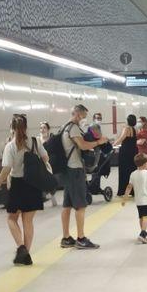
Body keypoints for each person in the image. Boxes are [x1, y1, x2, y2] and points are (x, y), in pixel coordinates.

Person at [0, 114, 47, 266]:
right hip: (33, 185)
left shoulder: (10, 146)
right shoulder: (35, 141)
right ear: (26, 127)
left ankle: (21, 247)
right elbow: (45, 158)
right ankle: (26, 254)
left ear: (11, 128)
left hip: (18, 184)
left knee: (12, 218)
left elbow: (6, 168)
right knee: (28, 221)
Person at [60, 104, 109, 249]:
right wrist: (99, 142)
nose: (84, 119)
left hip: (67, 170)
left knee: (67, 205)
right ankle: (81, 238)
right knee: (80, 205)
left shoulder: (64, 127)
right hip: (75, 170)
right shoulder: (73, 128)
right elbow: (82, 146)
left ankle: (66, 237)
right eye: (83, 116)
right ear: (78, 114)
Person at [121, 153, 147, 244]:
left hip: (138, 201)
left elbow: (129, 187)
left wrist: (125, 198)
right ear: (145, 163)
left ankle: (143, 232)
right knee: (146, 216)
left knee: (141, 217)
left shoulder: (133, 174)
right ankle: (143, 233)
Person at [114, 114, 139, 195]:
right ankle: (132, 191)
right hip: (133, 151)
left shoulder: (126, 128)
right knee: (132, 170)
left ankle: (123, 190)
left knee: (124, 171)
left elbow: (121, 139)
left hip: (125, 152)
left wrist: (113, 144)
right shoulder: (135, 130)